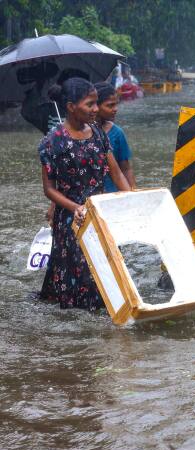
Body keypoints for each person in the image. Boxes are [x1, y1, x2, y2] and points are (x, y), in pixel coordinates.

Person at [39, 78, 131, 309]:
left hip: (100, 213)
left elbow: (117, 173)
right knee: (78, 275)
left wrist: (130, 199)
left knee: (108, 270)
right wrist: (75, 208)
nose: (96, 109)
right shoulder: (53, 142)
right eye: (90, 104)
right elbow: (49, 189)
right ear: (71, 107)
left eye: (96, 103)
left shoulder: (99, 134)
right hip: (73, 218)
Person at [94, 82, 137, 192]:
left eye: (116, 104)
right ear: (95, 106)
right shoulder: (78, 134)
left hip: (112, 194)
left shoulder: (117, 133)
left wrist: (133, 193)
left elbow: (126, 168)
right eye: (110, 105)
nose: (115, 109)